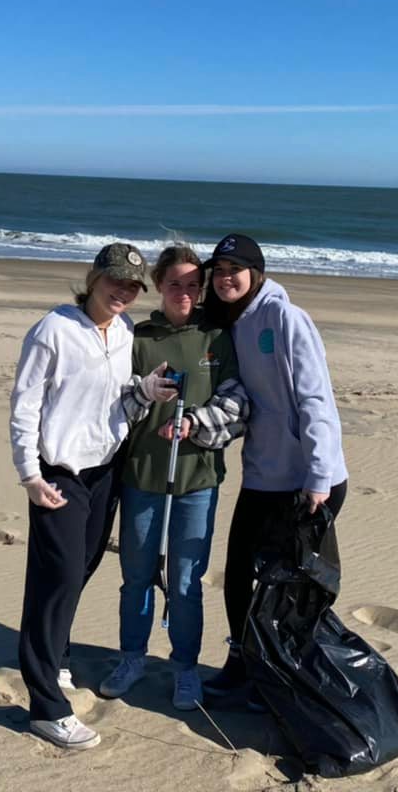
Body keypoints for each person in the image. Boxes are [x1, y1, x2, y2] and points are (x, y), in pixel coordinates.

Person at [9, 242, 175, 750]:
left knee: (79, 569)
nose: (122, 291)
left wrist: (144, 391)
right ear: (93, 277)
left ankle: (53, 656)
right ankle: (46, 709)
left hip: (105, 471)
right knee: (56, 578)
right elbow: (25, 405)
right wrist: (30, 476)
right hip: (57, 473)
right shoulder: (53, 330)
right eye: (115, 281)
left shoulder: (123, 331)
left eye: (131, 285)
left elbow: (116, 400)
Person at [98, 244, 248, 711]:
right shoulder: (138, 337)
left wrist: (195, 423)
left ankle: (185, 667)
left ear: (200, 289)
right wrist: (145, 394)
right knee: (136, 575)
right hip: (142, 475)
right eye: (174, 284)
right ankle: (131, 658)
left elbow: (239, 402)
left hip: (198, 479)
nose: (183, 293)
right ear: (159, 286)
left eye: (191, 285)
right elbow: (115, 402)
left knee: (186, 581)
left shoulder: (218, 336)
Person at [200, 233, 349, 703]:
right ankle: (244, 660)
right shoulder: (232, 322)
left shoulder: (286, 317)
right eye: (218, 272)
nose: (225, 279)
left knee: (288, 588)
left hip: (309, 481)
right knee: (239, 571)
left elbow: (315, 398)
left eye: (234, 271)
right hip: (263, 475)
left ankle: (288, 678)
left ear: (254, 273)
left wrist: (319, 477)